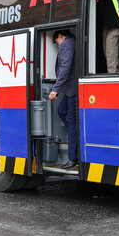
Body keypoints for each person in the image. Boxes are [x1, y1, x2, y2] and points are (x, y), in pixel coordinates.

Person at [48, 30, 78, 169]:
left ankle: (72, 157)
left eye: (56, 43)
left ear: (60, 37)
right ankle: (74, 132)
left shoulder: (66, 43)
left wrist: (56, 89)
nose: (58, 46)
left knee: (71, 120)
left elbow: (65, 67)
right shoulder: (72, 42)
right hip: (70, 89)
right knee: (62, 111)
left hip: (71, 89)